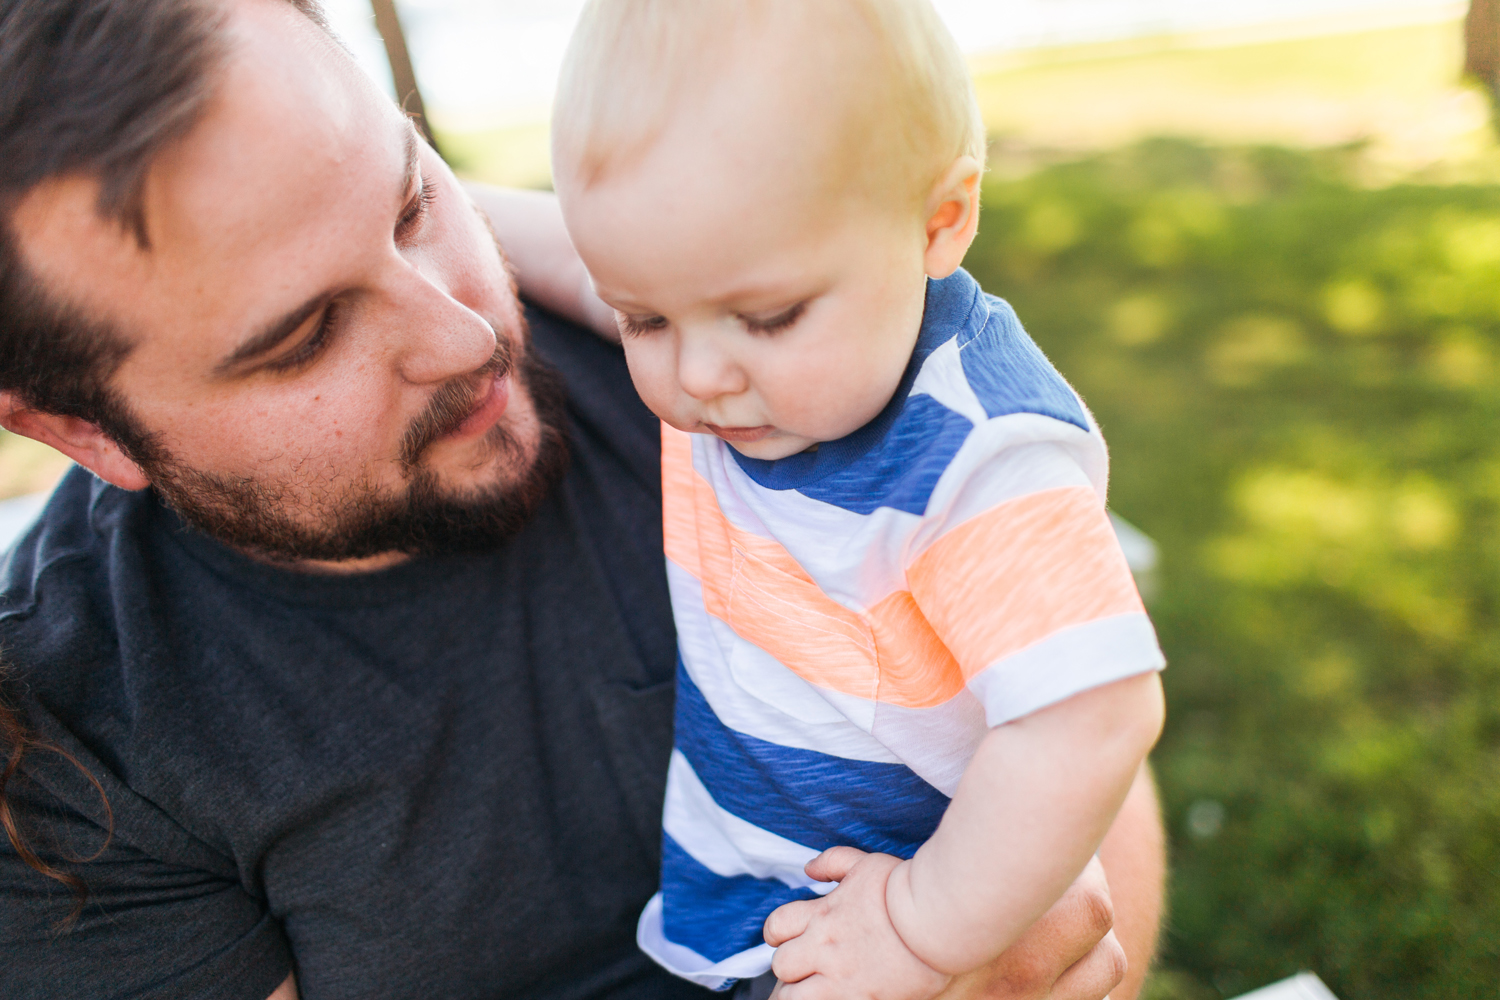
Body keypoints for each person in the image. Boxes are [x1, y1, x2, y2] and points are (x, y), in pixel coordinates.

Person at [0, 1, 1162, 998]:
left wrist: (994, 945)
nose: (464, 334)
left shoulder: (747, 337)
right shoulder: (64, 766)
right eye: (308, 336)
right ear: (79, 429)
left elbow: (1078, 749)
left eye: (411, 204)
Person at [548, 2, 1166, 998]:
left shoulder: (977, 455)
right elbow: (563, 255)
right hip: (760, 915)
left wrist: (922, 932)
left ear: (942, 221)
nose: (698, 375)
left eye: (769, 316)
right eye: (642, 318)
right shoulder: (739, 336)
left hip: (895, 928)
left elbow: (1093, 716)